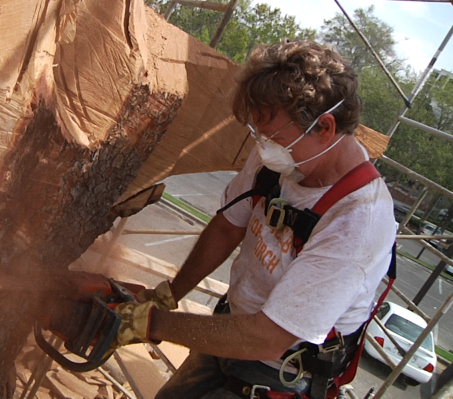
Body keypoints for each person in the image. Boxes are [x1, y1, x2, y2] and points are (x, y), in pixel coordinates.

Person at [110, 39, 396, 399]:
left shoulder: (358, 222)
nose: (263, 146)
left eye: (273, 136)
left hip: (276, 372)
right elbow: (229, 226)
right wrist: (170, 293)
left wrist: (149, 324)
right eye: (258, 133)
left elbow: (268, 338)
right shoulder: (281, 159)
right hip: (229, 330)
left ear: (325, 127)